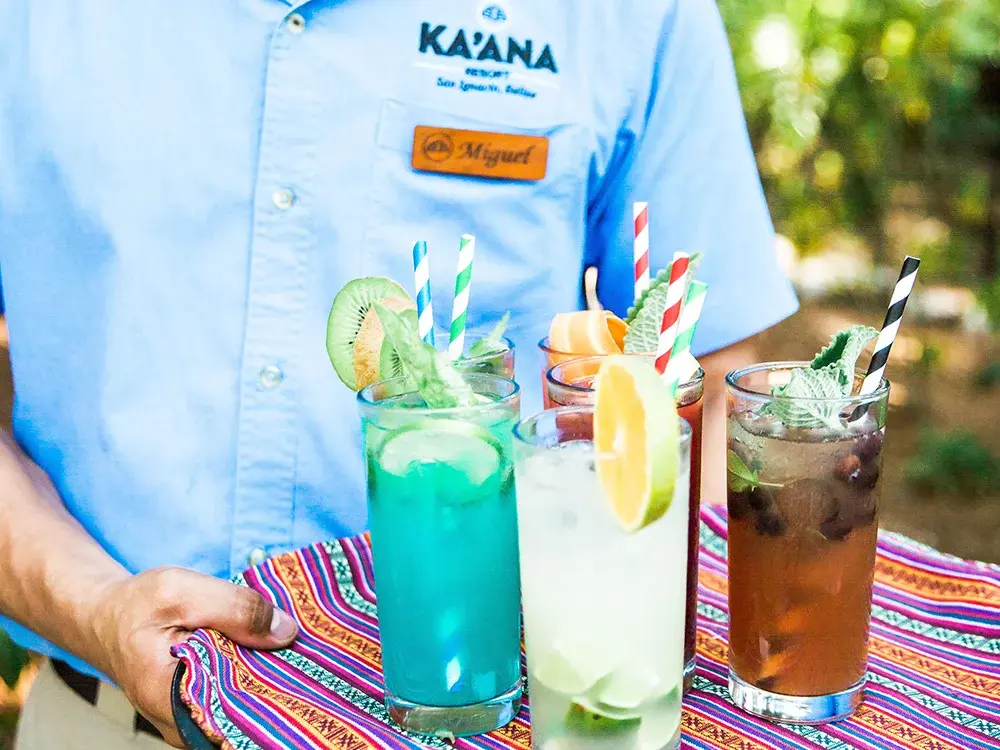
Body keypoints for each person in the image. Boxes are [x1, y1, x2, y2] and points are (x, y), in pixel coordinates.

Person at [0, 1, 797, 747]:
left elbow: (705, 386)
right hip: (101, 720)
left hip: (495, 721)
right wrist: (98, 608)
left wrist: (612, 652)